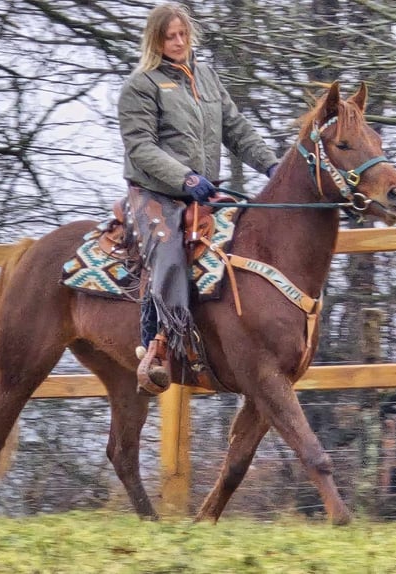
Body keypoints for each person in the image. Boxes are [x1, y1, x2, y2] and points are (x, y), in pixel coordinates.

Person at [118, 2, 278, 394]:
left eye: (182, 34)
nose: (177, 42)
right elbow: (140, 147)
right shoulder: (141, 85)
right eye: (169, 36)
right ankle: (160, 347)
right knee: (170, 253)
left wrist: (273, 166)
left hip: (205, 193)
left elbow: (237, 130)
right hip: (156, 193)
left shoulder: (206, 77)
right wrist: (184, 177)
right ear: (155, 40)